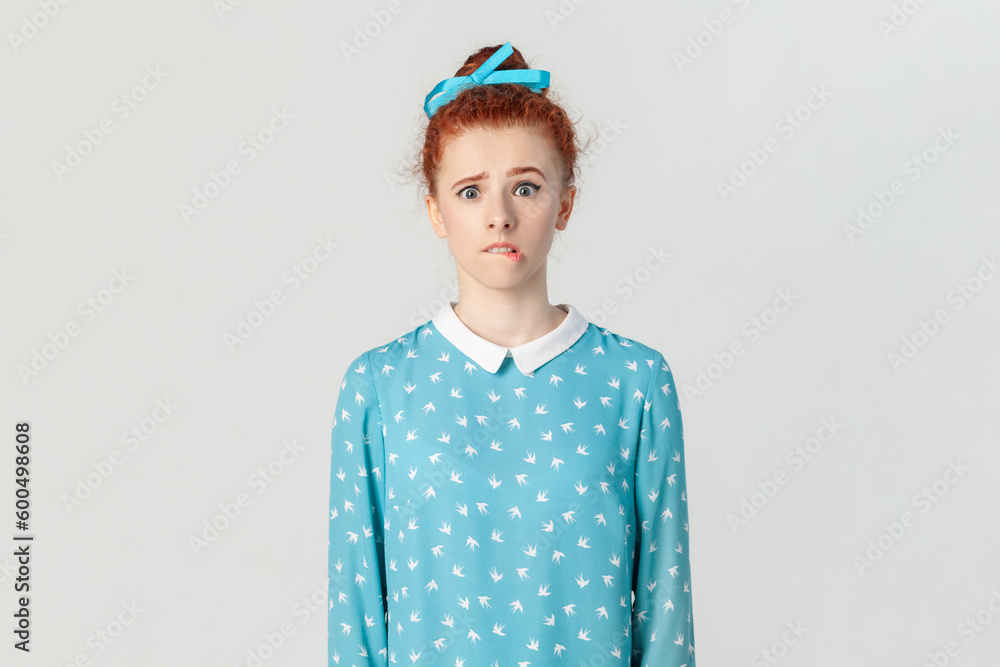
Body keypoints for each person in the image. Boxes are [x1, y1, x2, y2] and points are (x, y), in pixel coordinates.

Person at [328, 41, 696, 667]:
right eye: (470, 192)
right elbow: (355, 622)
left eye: (525, 187)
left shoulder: (635, 382)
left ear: (565, 204)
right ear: (435, 211)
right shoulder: (379, 387)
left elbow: (666, 623)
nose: (499, 216)